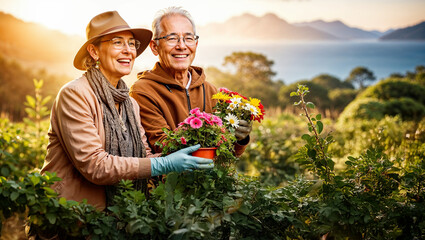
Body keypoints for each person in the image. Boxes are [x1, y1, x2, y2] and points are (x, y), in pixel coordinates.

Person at [40, 10, 214, 211]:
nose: (128, 50)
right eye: (117, 42)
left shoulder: (129, 104)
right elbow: (95, 165)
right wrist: (165, 164)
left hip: (115, 219)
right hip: (72, 215)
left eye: (131, 44)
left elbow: (144, 156)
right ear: (94, 52)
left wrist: (186, 158)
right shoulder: (75, 94)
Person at [130, 6, 252, 155]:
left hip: (211, 177)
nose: (182, 46)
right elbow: (163, 146)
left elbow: (228, 153)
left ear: (196, 44)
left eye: (188, 38)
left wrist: (240, 139)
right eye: (172, 38)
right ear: (154, 47)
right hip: (172, 178)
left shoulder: (210, 91)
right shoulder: (143, 91)